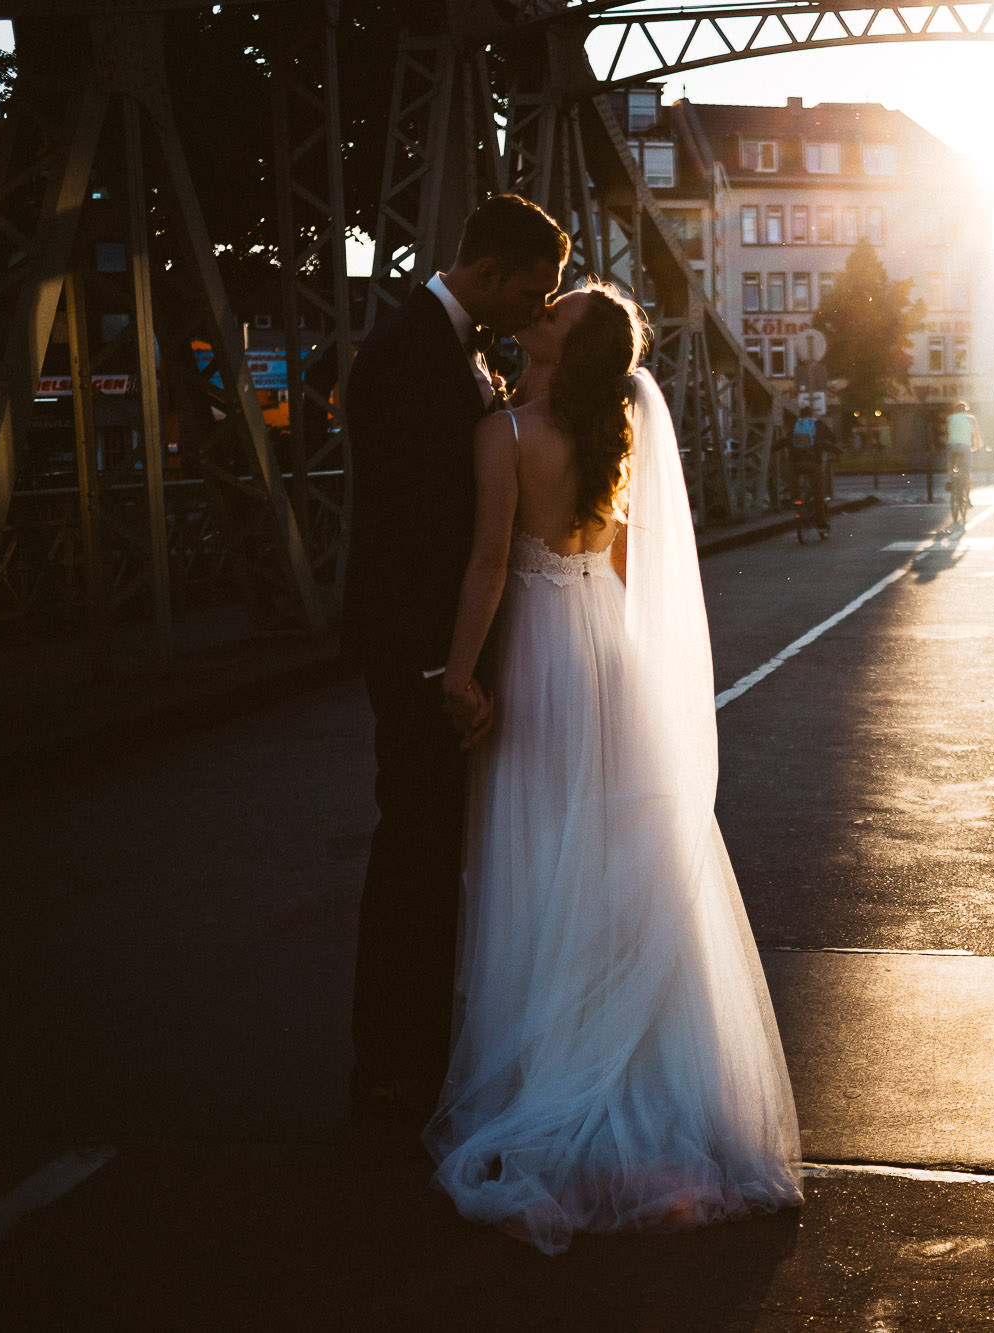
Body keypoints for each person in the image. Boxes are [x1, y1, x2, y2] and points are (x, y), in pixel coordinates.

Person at [427, 280, 803, 1254]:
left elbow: (484, 563)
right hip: (605, 650)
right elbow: (629, 569)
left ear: (564, 346)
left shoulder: (506, 435)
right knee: (616, 863)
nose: (537, 315)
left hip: (540, 652)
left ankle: (552, 1066)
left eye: (553, 313)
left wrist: (461, 671)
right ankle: (642, 1070)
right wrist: (628, 669)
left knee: (539, 854)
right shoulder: (614, 436)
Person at [340, 194, 569, 1127]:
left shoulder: (463, 350)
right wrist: (443, 670)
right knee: (414, 860)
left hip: (452, 654)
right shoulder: (404, 356)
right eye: (535, 287)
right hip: (420, 657)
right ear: (488, 272)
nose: (541, 307)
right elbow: (406, 535)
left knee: (441, 863)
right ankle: (389, 1067)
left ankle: (425, 1054)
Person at [785, 403, 834, 534]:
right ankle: (821, 525)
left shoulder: (796, 424)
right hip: (813, 463)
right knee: (818, 494)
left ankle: (797, 503)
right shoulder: (818, 424)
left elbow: (786, 440)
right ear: (812, 414)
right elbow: (831, 437)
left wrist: (774, 448)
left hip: (795, 463)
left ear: (800, 415)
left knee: (795, 490)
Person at [945, 400, 983, 508]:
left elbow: (948, 433)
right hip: (965, 446)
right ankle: (968, 499)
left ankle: (952, 479)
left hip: (951, 446)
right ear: (966, 410)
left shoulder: (950, 418)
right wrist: (977, 447)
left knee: (951, 466)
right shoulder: (971, 418)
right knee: (966, 473)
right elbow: (976, 434)